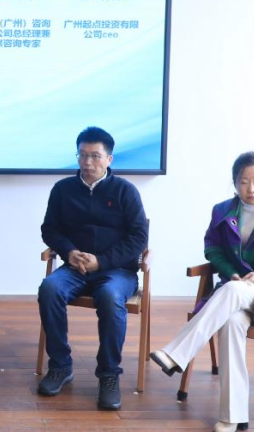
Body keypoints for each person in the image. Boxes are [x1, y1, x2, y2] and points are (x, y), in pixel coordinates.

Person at [150, 152, 254, 432]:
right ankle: (233, 416)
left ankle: (176, 353)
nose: (251, 189)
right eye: (243, 182)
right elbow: (213, 250)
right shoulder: (222, 211)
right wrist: (232, 271)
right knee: (230, 322)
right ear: (234, 183)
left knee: (233, 291)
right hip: (239, 294)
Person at [36, 126, 149, 410]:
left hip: (117, 271)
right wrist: (69, 252)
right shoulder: (63, 189)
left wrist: (102, 261)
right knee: (49, 288)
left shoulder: (125, 191)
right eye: (82, 155)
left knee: (110, 296)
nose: (88, 162)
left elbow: (139, 238)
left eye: (95, 156)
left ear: (109, 159)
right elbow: (50, 229)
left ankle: (109, 374)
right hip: (74, 268)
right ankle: (60, 366)